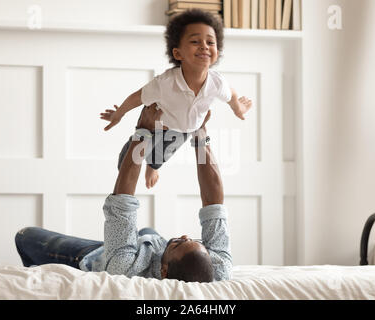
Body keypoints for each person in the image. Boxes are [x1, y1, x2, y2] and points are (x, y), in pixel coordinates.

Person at [15, 105, 232, 282]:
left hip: (102, 257)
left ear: (164, 272)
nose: (184, 235)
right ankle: (131, 241)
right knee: (147, 233)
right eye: (193, 239)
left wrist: (142, 132)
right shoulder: (218, 268)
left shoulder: (127, 270)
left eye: (179, 243)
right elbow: (214, 205)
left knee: (25, 236)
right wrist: (201, 137)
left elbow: (122, 202)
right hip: (149, 245)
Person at [100, 9, 252, 189]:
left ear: (217, 52)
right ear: (178, 54)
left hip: (185, 129)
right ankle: (126, 167)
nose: (204, 46)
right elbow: (137, 97)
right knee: (134, 154)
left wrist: (238, 109)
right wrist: (118, 114)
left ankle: (153, 167)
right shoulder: (166, 83)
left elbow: (231, 95)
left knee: (163, 154)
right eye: (195, 41)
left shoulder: (217, 83)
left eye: (210, 42)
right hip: (157, 123)